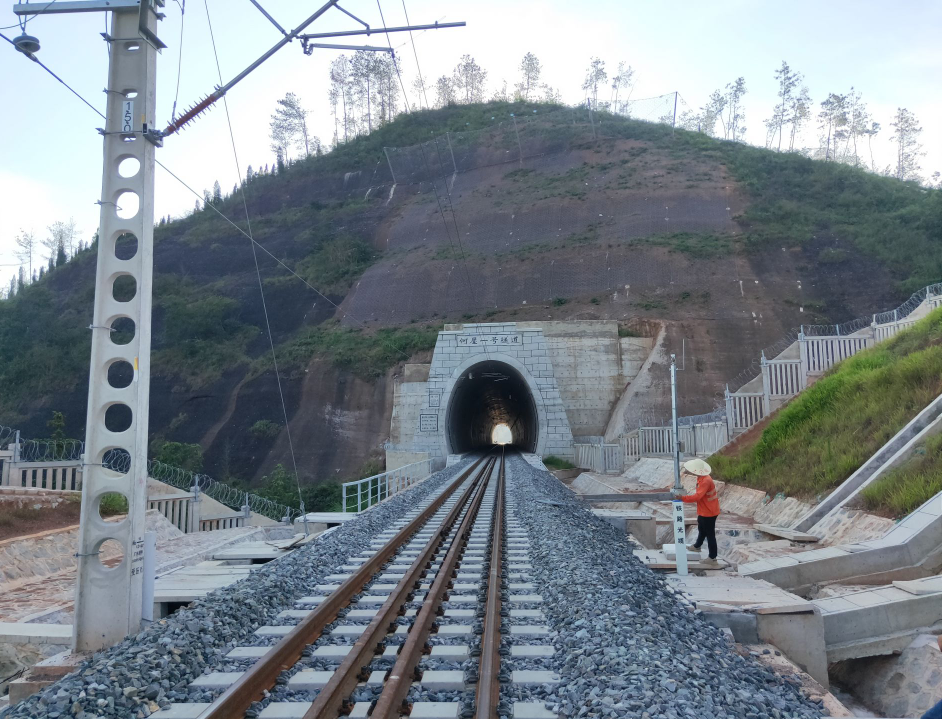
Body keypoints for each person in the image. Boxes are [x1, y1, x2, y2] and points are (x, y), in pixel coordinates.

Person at [674, 458, 720, 565]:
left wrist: (683, 498)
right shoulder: (701, 478)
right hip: (704, 510)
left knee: (710, 534)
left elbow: (698, 496)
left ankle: (712, 558)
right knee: (702, 529)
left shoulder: (706, 481)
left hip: (710, 512)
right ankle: (697, 546)